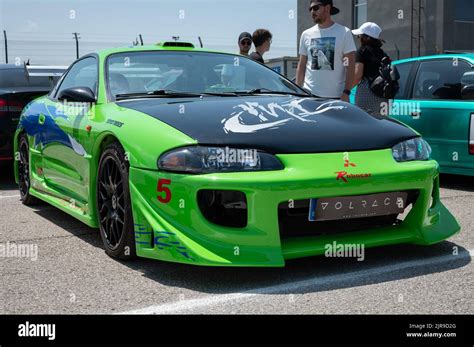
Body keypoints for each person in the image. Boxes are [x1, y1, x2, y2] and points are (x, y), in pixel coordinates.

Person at [296, 0, 356, 101]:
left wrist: (346, 92)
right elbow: (302, 65)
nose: (312, 12)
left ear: (327, 8)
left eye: (315, 8)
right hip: (309, 95)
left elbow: (350, 66)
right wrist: (297, 92)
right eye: (310, 9)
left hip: (336, 97)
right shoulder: (306, 34)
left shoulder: (344, 32)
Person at [352, 22, 389, 116]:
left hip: (366, 93)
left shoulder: (362, 51)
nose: (359, 38)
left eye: (359, 36)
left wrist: (346, 89)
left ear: (366, 38)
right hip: (383, 95)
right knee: (380, 126)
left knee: (363, 125)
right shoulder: (383, 53)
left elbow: (357, 76)